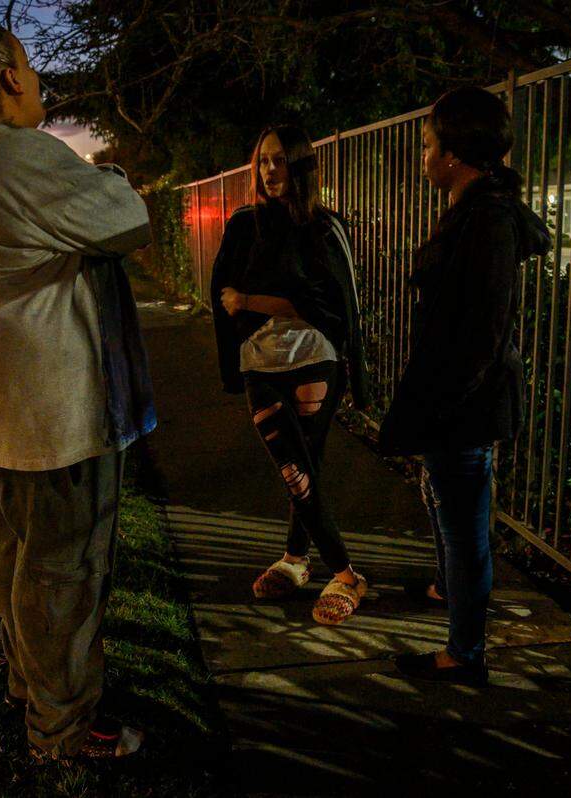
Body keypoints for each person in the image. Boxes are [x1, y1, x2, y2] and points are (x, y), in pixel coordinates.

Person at [0, 0, 155, 759]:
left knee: (18, 555)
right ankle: (61, 726)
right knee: (66, 569)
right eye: (27, 61)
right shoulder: (19, 156)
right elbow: (125, 217)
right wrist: (112, 173)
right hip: (55, 409)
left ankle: (31, 683)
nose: (38, 73)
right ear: (6, 76)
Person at [378, 87, 551, 685]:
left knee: (465, 526)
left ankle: (464, 654)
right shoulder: (477, 211)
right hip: (456, 404)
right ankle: (444, 593)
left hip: (463, 409)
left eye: (427, 145)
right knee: (449, 513)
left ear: (453, 155)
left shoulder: (488, 223)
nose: (422, 156)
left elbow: (480, 333)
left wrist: (440, 408)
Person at [211, 124, 371, 626]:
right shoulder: (242, 225)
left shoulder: (324, 227)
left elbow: (332, 306)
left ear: (301, 166)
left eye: (280, 160)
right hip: (262, 361)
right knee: (295, 467)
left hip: (315, 360)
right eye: (263, 161)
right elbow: (223, 296)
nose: (270, 170)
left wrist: (254, 302)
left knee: (303, 468)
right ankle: (323, 567)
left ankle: (320, 567)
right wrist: (256, 310)